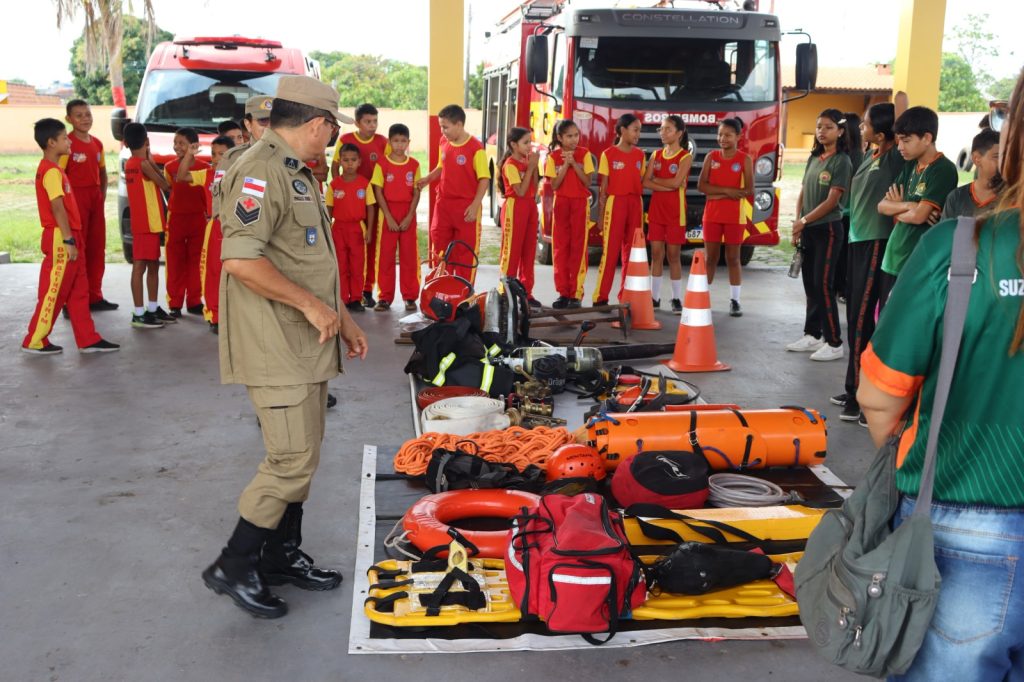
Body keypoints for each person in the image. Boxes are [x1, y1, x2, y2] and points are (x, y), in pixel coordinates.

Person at [857, 70, 1024, 681]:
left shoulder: (962, 249)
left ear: (1009, 141)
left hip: (968, 520)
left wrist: (912, 460)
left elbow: (877, 397)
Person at [202, 75, 368, 619]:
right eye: (331, 129)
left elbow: (306, 261)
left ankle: (278, 556)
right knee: (290, 460)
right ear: (317, 124)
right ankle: (234, 563)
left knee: (306, 455)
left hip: (305, 341)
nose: (331, 139)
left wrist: (339, 317)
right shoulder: (259, 170)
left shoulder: (296, 172)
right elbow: (241, 260)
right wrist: (313, 308)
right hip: (276, 343)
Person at [832, 94, 908, 424]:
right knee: (856, 320)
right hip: (857, 241)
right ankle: (853, 386)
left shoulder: (893, 158)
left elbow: (902, 110)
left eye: (865, 123)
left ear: (882, 133)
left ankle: (864, 398)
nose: (860, 126)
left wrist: (897, 107)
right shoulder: (870, 153)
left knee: (863, 321)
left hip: (876, 242)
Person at [21, 118, 119, 354]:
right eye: (64, 138)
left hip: (70, 234)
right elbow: (57, 207)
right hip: (61, 237)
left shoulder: (54, 169)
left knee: (79, 291)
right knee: (54, 291)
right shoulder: (51, 172)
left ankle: (87, 339)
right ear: (51, 142)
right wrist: (68, 239)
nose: (69, 141)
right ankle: (35, 340)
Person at [787, 109, 854, 361]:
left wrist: (804, 220)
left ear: (840, 131)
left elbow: (831, 201)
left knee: (823, 285)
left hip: (827, 229)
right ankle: (812, 334)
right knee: (810, 285)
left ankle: (834, 342)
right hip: (808, 229)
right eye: (818, 126)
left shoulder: (842, 161)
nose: (821, 131)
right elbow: (804, 192)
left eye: (828, 127)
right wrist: (798, 222)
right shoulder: (814, 157)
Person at [877, 106, 959, 302]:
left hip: (916, 260)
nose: (899, 147)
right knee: (884, 318)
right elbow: (881, 206)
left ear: (927, 138)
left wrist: (900, 209)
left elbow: (920, 217)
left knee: (905, 322)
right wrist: (910, 205)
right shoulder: (910, 166)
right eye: (899, 141)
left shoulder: (943, 169)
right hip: (893, 256)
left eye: (906, 141)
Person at [416, 104, 490, 285]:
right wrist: (428, 178)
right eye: (441, 126)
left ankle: (463, 295)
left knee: (465, 252)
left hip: (466, 208)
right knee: (440, 248)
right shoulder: (444, 142)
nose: (443, 131)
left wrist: (474, 206)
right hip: (444, 206)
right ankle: (440, 291)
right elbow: (442, 167)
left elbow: (484, 179)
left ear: (459, 124)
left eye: (445, 126)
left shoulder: (476, 148)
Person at [330, 103, 390, 308]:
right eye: (368, 121)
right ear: (357, 123)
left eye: (375, 121)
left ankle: (366, 290)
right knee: (345, 254)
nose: (372, 125)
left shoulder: (383, 142)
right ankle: (344, 294)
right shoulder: (346, 140)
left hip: (372, 203)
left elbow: (390, 167)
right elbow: (335, 165)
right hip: (349, 206)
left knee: (370, 248)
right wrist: (341, 190)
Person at [61, 99, 116, 310]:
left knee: (96, 249)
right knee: (77, 250)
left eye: (88, 114)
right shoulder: (66, 144)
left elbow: (102, 171)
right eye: (79, 115)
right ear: (69, 119)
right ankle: (72, 300)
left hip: (95, 201)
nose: (85, 119)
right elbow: (60, 176)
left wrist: (100, 195)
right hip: (75, 202)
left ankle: (94, 296)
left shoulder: (97, 143)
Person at [178, 134, 235, 332]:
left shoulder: (240, 174)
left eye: (222, 154)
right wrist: (189, 155)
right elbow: (181, 176)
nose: (217, 158)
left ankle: (234, 316)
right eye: (213, 154)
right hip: (215, 225)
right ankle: (215, 315)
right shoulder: (207, 174)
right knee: (212, 272)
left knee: (236, 272)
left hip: (235, 227)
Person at [697, 117, 752, 317]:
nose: (723, 138)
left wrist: (716, 192)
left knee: (733, 258)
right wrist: (729, 191)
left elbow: (748, 189)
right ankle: (703, 298)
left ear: (739, 136)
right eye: (720, 134)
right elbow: (702, 187)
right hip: (711, 215)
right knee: (710, 258)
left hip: (735, 216)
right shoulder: (711, 157)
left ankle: (735, 301)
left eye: (728, 135)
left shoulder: (744, 159)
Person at [123, 122, 175, 329]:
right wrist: (150, 156)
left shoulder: (129, 163)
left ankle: (152, 309)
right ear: (146, 141)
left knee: (151, 265)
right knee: (141, 266)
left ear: (126, 143)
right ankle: (139, 313)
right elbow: (165, 184)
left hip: (146, 222)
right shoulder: (143, 164)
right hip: (147, 223)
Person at [593, 113, 645, 306]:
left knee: (631, 254)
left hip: (635, 204)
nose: (638, 134)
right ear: (623, 131)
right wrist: (600, 215)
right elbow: (603, 188)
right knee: (611, 252)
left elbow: (642, 180)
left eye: (640, 130)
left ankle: (625, 296)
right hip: (615, 204)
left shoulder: (640, 155)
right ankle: (601, 297)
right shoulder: (608, 154)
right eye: (635, 130)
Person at [370, 123, 421, 312]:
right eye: (396, 141)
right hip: (388, 214)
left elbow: (416, 193)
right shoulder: (382, 163)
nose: (400, 145)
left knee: (409, 256)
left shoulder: (414, 164)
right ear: (390, 142)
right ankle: (384, 297)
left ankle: (410, 296)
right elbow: (378, 191)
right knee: (385, 257)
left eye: (403, 141)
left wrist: (409, 216)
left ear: (408, 142)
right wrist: (389, 217)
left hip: (408, 214)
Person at [645, 114, 693, 313]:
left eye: (668, 129)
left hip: (675, 212)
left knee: (673, 255)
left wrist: (659, 182)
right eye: (661, 129)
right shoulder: (656, 155)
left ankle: (675, 298)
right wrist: (669, 185)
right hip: (656, 211)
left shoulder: (685, 157)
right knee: (656, 254)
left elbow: (675, 183)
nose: (663, 133)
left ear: (679, 133)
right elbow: (645, 182)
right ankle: (654, 298)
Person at [544, 119, 593, 309]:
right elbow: (554, 185)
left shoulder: (585, 154)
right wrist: (565, 165)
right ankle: (563, 292)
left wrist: (575, 164)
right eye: (569, 136)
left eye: (576, 135)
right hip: (561, 203)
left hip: (580, 203)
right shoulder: (553, 157)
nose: (574, 140)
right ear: (560, 138)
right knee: (560, 248)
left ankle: (576, 293)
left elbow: (587, 182)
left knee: (578, 248)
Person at [164, 127, 209, 317]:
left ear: (193, 145)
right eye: (175, 143)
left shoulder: (204, 167)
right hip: (176, 219)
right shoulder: (169, 167)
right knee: (174, 261)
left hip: (198, 219)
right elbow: (169, 188)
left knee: (196, 260)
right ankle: (174, 303)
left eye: (181, 143)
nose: (177, 147)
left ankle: (194, 301)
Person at [327, 144, 377, 311]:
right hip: (338, 229)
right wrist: (327, 228)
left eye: (353, 160)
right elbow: (328, 208)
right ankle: (342, 299)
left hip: (357, 229)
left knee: (357, 265)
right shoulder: (334, 185)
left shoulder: (364, 184)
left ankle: (355, 299)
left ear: (359, 162)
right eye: (346, 160)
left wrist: (369, 230)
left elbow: (370, 207)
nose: (349, 164)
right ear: (340, 161)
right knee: (340, 265)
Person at [498, 127, 541, 306]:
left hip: (530, 206)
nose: (529, 146)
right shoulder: (510, 164)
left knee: (529, 251)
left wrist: (534, 166)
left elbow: (534, 187)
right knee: (512, 251)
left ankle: (526, 293)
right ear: (513, 145)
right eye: (525, 142)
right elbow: (521, 191)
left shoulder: (527, 161)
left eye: (530, 141)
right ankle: (505, 293)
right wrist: (531, 167)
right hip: (515, 207)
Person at [832, 111, 864, 303]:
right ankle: (840, 288)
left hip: (845, 211)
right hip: (847, 211)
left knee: (841, 255)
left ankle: (840, 288)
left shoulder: (852, 156)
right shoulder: (855, 154)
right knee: (843, 255)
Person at [940, 128, 1001, 220]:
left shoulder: (1015, 197)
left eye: (1007, 156)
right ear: (976, 158)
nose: (1004, 162)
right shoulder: (956, 197)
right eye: (997, 156)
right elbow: (945, 233)